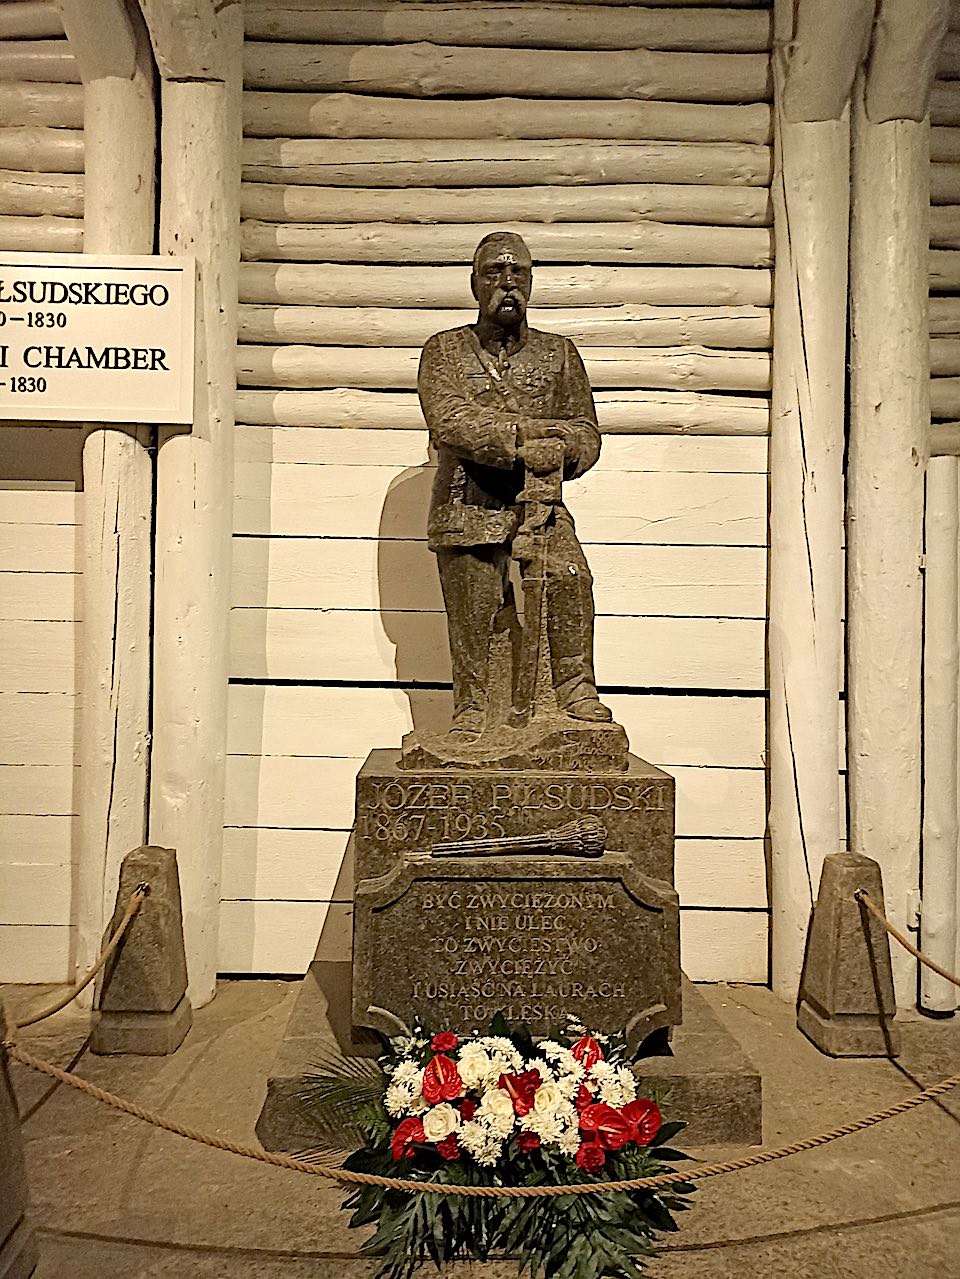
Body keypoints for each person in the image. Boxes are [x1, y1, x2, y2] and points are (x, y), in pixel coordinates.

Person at [417, 230, 612, 743]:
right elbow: (450, 421)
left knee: (570, 579)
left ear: (531, 281)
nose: (507, 283)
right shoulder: (444, 351)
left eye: (517, 272)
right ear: (474, 283)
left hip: (540, 504)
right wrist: (525, 436)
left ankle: (574, 689)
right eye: (494, 273)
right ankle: (474, 708)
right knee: (474, 609)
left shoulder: (559, 354)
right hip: (466, 504)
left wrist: (564, 449)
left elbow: (586, 431)